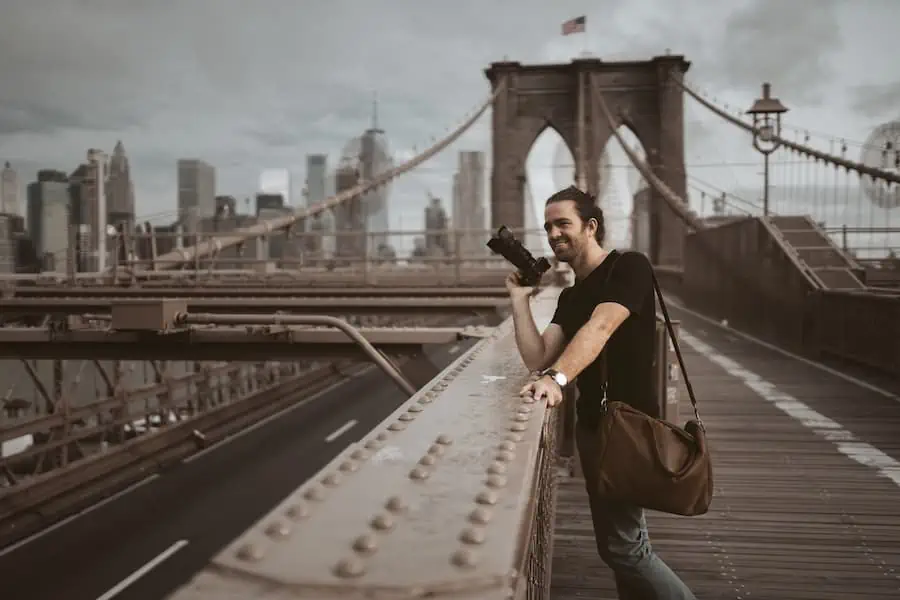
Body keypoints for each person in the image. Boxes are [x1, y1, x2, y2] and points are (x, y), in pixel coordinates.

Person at [507, 185, 696, 600]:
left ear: (590, 227)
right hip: (594, 432)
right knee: (620, 547)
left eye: (563, 223)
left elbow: (601, 327)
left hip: (628, 428)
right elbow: (538, 355)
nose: (554, 233)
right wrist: (520, 300)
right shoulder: (571, 296)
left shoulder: (628, 268)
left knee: (625, 548)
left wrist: (557, 380)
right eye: (548, 226)